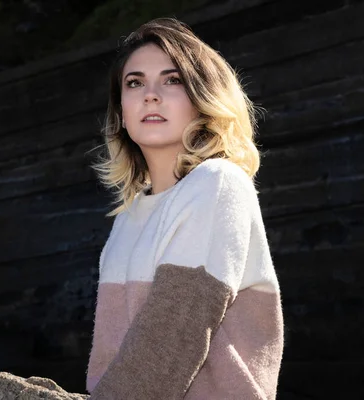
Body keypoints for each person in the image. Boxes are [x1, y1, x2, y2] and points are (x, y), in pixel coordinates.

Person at [85, 18, 284, 399]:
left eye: (172, 80)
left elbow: (169, 345)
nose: (151, 95)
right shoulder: (128, 219)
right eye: (134, 82)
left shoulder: (217, 184)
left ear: (203, 98)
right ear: (121, 112)